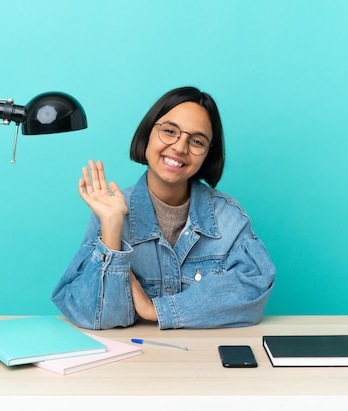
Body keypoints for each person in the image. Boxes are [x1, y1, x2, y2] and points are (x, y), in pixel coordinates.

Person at [51, 86, 275, 330]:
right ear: (148, 134)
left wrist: (154, 310)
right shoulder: (110, 211)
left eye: (197, 141)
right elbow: (91, 313)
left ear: (207, 155)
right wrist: (113, 229)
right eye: (169, 131)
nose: (180, 147)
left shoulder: (229, 218)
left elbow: (252, 292)